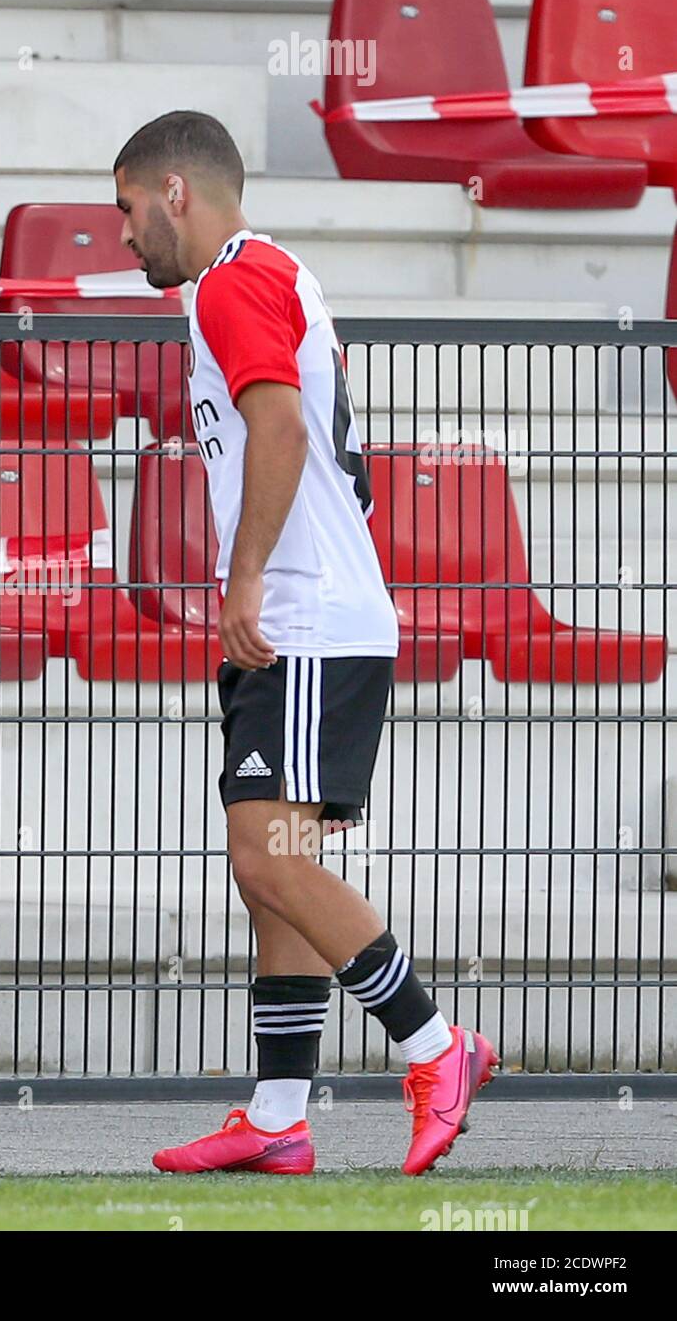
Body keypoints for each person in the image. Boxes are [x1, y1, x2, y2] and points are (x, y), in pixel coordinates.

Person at [113, 111, 497, 1176]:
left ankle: (434, 1043)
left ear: (175, 190)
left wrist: (241, 583)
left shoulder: (233, 283)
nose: (123, 232)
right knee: (273, 871)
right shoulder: (269, 276)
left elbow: (278, 427)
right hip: (319, 614)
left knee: (264, 854)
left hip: (303, 616)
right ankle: (278, 1112)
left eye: (127, 207)